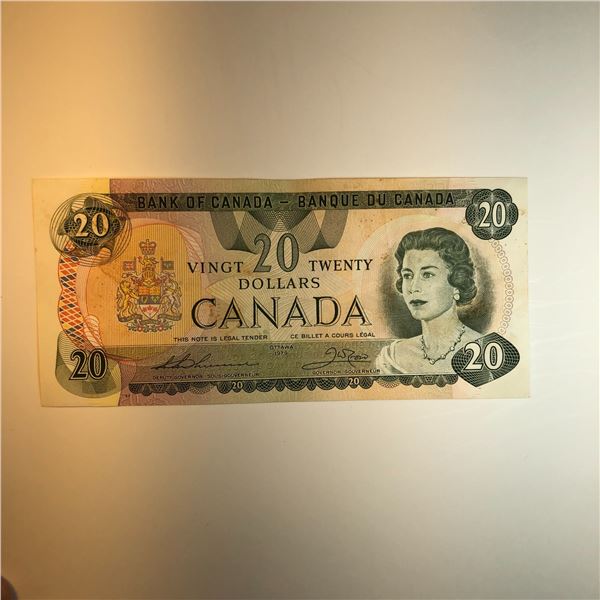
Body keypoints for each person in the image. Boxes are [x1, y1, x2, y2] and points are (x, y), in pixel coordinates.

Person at [376, 227, 481, 374]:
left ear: (457, 283)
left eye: (427, 275)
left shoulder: (484, 350)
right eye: (407, 276)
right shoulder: (392, 357)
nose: (413, 288)